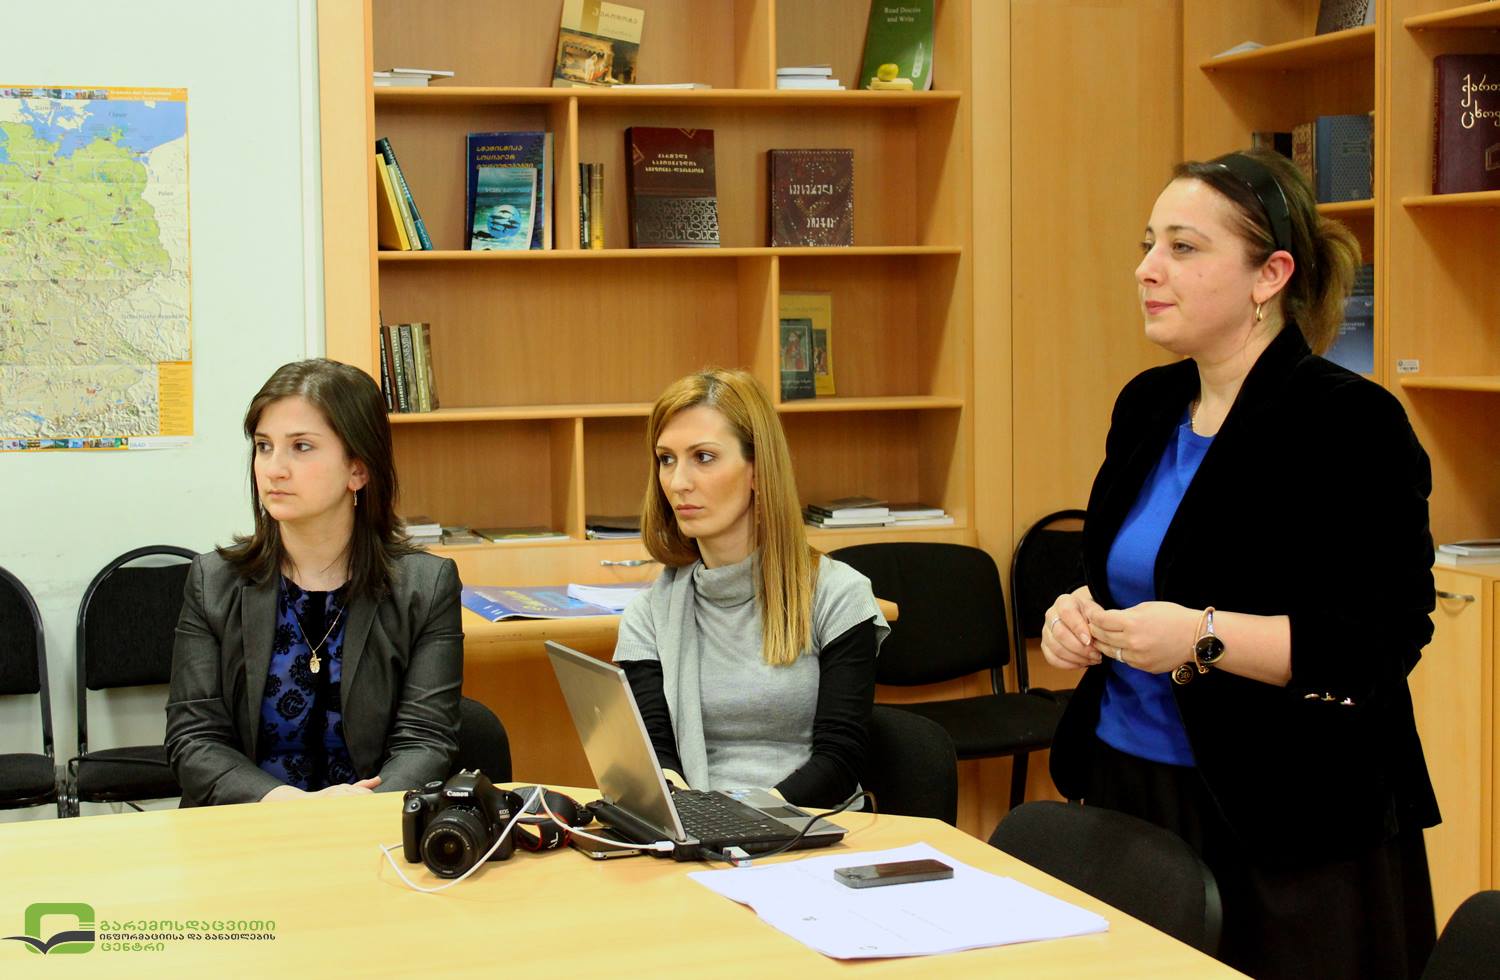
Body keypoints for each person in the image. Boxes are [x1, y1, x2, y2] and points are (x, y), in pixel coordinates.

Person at [1041, 148, 1439, 979]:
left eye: (1183, 247)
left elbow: (1377, 643)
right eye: (1149, 243)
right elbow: (1132, 574)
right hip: (1126, 785)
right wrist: (1074, 614)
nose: (1147, 269)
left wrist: (1203, 638)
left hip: (1287, 819)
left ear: (1271, 275)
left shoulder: (1350, 422)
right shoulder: (1147, 403)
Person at [166, 359, 462, 806]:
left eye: (301, 447)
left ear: (358, 469)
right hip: (248, 823)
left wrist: (355, 810)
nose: (274, 469)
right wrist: (284, 802)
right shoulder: (213, 581)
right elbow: (194, 739)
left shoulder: (425, 586)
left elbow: (427, 741)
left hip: (370, 825)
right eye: (264, 447)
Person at [614, 368, 888, 808]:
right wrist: (692, 816)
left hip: (810, 824)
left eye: (703, 457)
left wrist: (748, 816)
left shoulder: (838, 594)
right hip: (697, 825)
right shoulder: (648, 615)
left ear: (758, 470)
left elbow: (840, 762)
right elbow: (654, 759)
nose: (678, 482)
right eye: (666, 459)